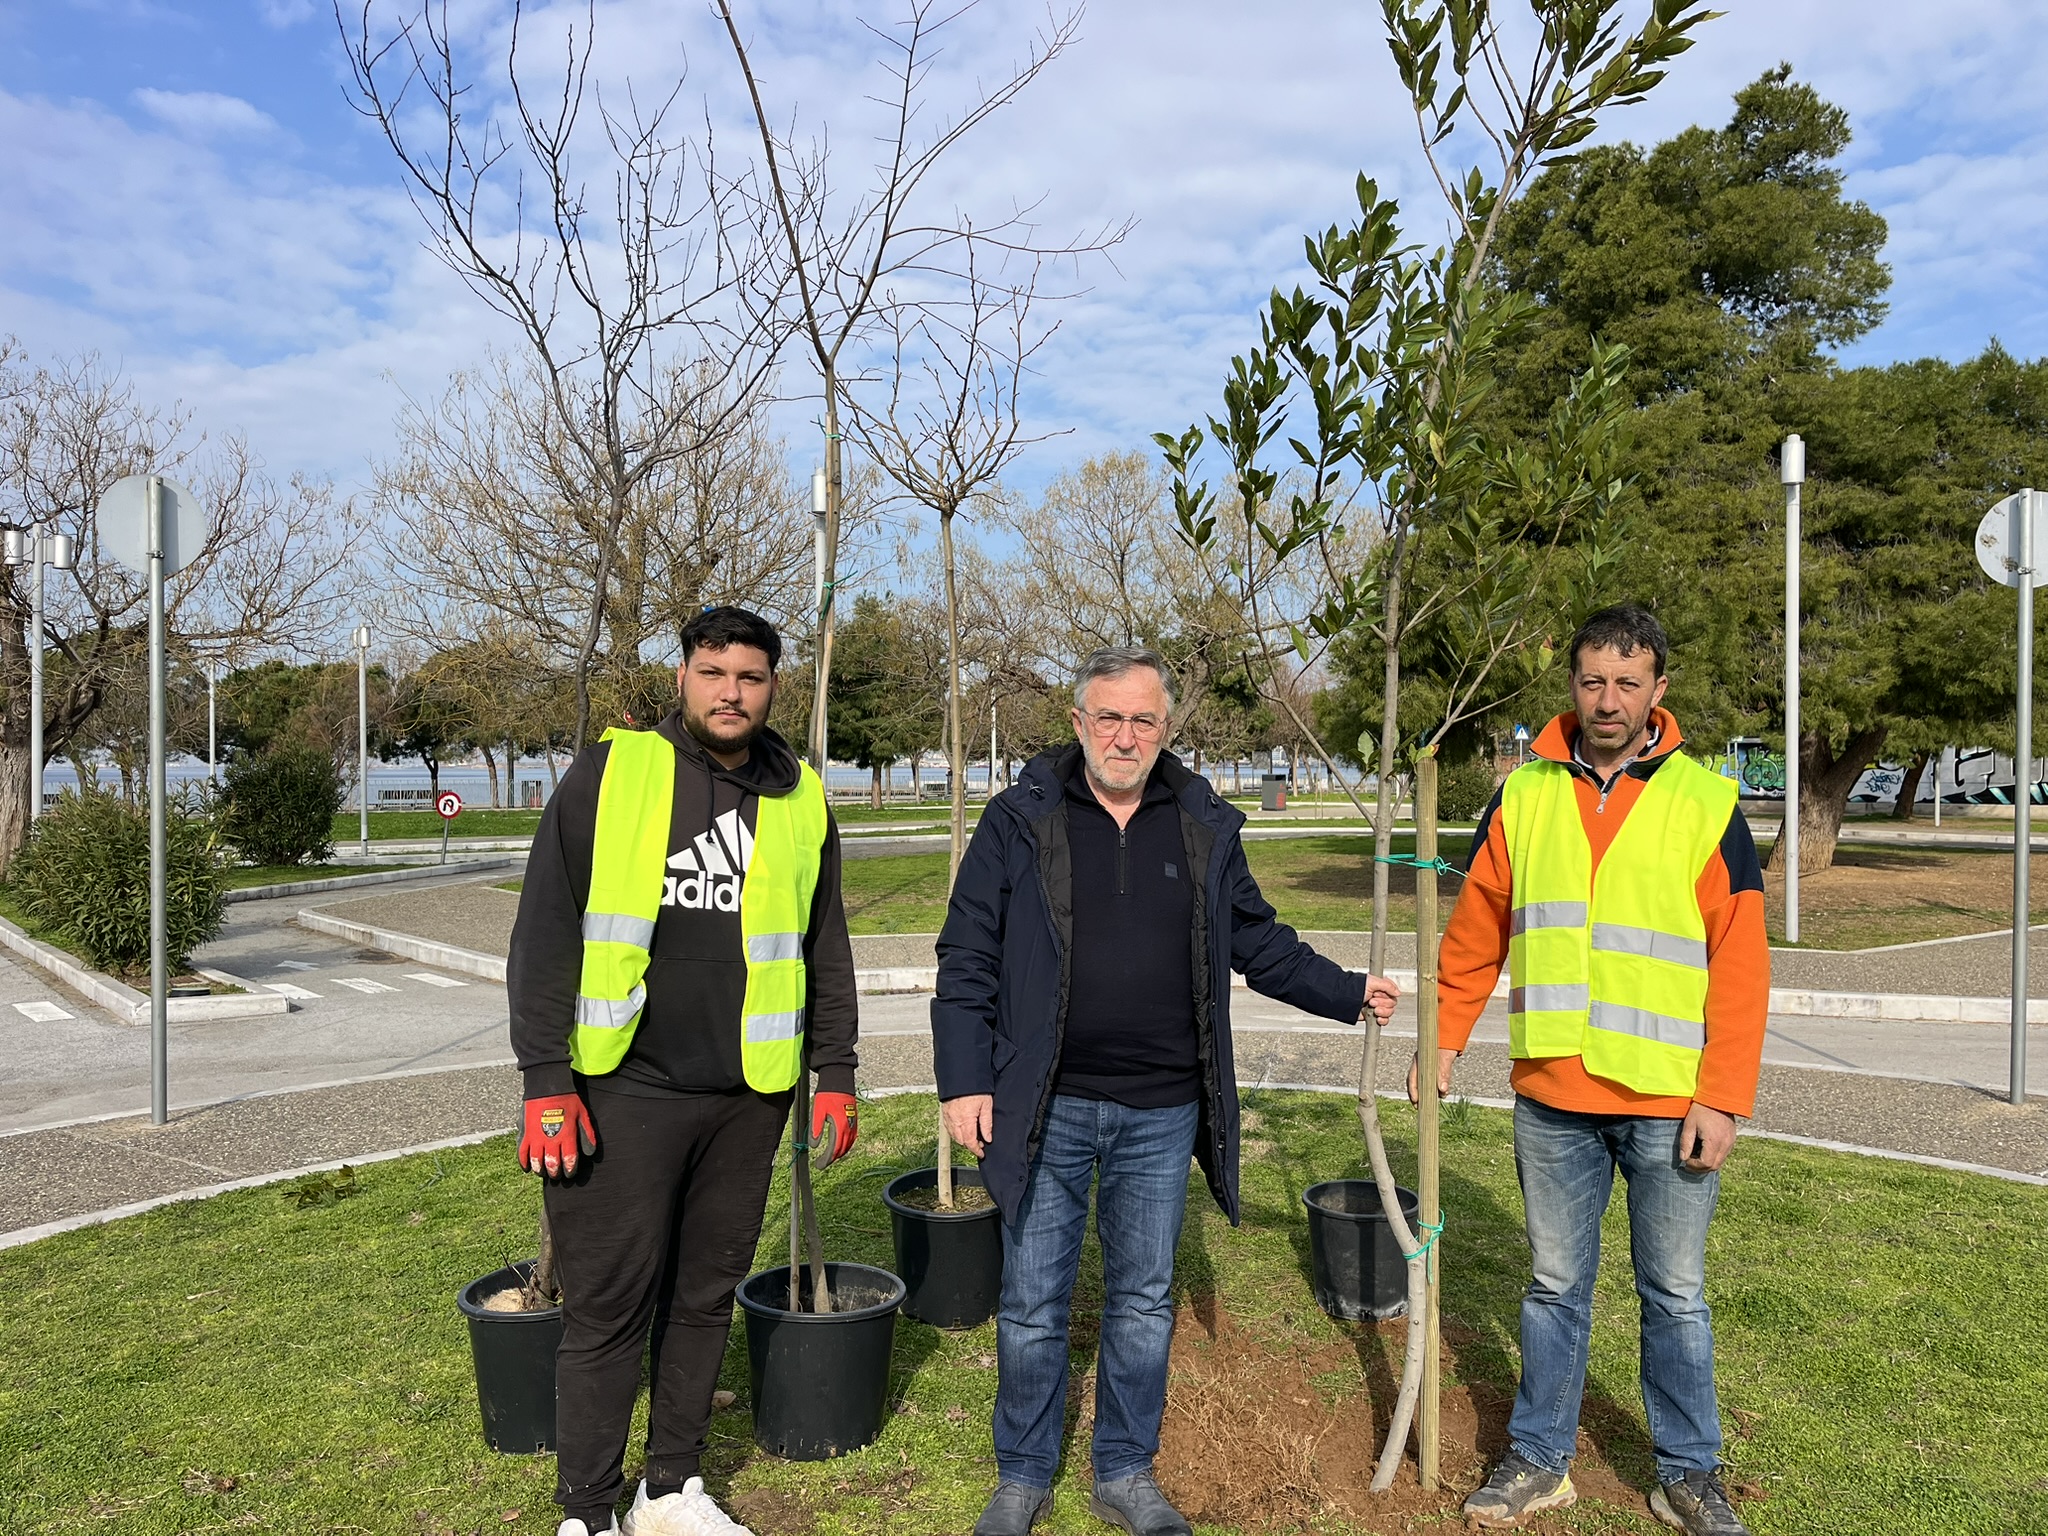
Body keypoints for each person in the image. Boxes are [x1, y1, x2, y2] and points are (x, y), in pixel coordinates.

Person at [932, 645, 1402, 1536]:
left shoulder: (1200, 822)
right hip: (1046, 1104)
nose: (1125, 736)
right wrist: (963, 1081)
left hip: (1161, 1109)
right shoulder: (1020, 818)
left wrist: (1347, 992)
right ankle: (1022, 1476)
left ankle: (1123, 1471)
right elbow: (967, 956)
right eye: (1108, 717)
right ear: (1078, 722)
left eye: (1143, 720)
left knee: (1143, 1302)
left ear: (1166, 727)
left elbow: (1258, 941)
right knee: (1031, 1303)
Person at [508, 606, 860, 1536]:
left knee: (704, 1299)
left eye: (750, 677)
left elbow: (824, 944)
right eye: (713, 672)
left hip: (747, 1096)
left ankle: (668, 1491)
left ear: (773, 686)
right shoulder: (613, 772)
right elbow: (545, 929)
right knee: (608, 1308)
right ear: (683, 677)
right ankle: (587, 1512)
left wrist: (836, 1067)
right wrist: (545, 1080)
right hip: (622, 1088)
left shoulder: (802, 797)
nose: (730, 692)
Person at [1424, 604, 1767, 1534]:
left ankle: (1688, 1476)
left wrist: (1723, 1097)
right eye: (1592, 681)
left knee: (1676, 1297)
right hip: (1552, 1100)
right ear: (1571, 686)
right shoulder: (1523, 796)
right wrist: (1443, 1039)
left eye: (1627, 683)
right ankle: (1540, 1462)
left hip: (1670, 1104)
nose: (1608, 700)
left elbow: (1740, 961)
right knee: (1553, 1289)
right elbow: (1477, 931)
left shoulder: (1706, 803)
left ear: (1658, 690)